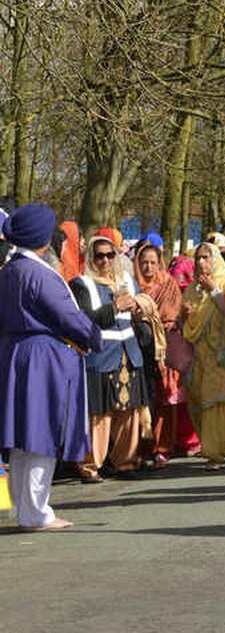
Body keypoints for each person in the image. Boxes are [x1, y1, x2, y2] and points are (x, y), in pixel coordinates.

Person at [0, 204, 102, 530]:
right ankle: (37, 513)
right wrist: (93, 336)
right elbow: (68, 317)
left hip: (16, 354)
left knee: (22, 438)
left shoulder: (9, 270)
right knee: (40, 434)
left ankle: (26, 510)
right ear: (44, 238)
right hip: (42, 359)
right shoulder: (39, 273)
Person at [71, 233, 156, 482]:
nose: (106, 260)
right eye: (99, 256)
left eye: (110, 255)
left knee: (129, 411)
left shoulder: (127, 280)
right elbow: (84, 320)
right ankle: (90, 465)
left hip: (130, 354)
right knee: (99, 413)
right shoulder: (82, 284)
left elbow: (143, 310)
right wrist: (115, 307)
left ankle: (125, 461)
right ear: (91, 258)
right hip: (100, 356)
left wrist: (140, 307)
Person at [182, 242, 225, 470]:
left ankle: (215, 452)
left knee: (216, 402)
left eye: (206, 257)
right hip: (199, 356)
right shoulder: (191, 289)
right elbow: (188, 327)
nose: (200, 262)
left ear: (215, 259)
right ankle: (210, 445)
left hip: (222, 354)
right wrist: (184, 315)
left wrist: (214, 290)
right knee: (198, 400)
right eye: (198, 258)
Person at [134, 241, 189, 468]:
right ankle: (140, 448)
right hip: (137, 347)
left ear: (160, 264)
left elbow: (172, 315)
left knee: (165, 399)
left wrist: (153, 320)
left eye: (153, 263)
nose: (148, 267)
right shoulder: (131, 285)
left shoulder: (169, 285)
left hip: (163, 347)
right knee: (141, 400)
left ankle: (162, 448)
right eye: (144, 262)